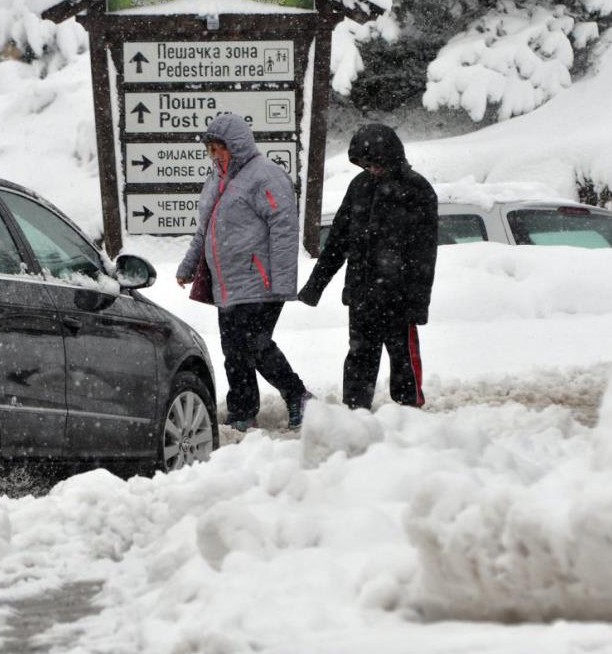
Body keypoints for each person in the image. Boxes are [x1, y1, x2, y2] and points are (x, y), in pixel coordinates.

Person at [176, 114, 311, 431]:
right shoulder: (215, 180)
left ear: (236, 146)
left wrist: (282, 283)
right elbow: (204, 230)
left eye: (219, 148)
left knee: (256, 345)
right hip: (228, 284)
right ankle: (242, 411)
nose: (215, 155)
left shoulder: (265, 176)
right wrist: (187, 267)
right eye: (210, 150)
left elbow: (284, 229)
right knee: (234, 352)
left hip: (259, 282)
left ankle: (298, 396)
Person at [296, 123, 438, 410]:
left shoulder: (417, 190)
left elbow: (424, 254)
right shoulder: (359, 188)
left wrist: (418, 303)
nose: (370, 169)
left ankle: (409, 414)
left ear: (390, 157)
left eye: (374, 163)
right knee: (359, 357)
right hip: (362, 296)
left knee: (403, 360)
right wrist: (315, 287)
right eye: (364, 164)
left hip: (400, 297)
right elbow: (336, 242)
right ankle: (355, 414)